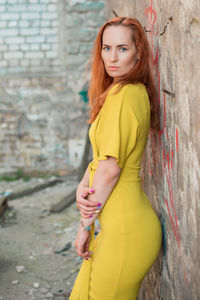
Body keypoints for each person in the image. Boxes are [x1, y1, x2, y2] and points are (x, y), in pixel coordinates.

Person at [69, 16, 162, 300]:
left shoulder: (126, 96)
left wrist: (84, 226)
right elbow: (100, 159)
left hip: (126, 232)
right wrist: (81, 186)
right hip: (117, 227)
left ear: (139, 53)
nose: (112, 57)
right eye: (106, 48)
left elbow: (110, 170)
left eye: (123, 48)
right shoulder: (119, 92)